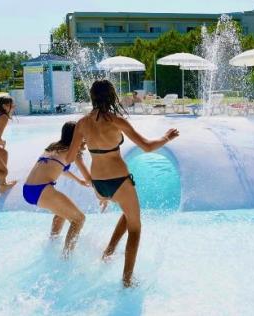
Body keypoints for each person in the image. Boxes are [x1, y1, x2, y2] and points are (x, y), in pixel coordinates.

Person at [66, 79, 179, 287]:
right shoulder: (117, 121)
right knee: (135, 228)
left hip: (99, 183)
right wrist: (166, 138)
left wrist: (89, 175)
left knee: (128, 215)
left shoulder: (82, 124)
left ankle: (108, 251)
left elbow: (71, 157)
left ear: (92, 97)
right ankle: (127, 280)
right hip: (119, 181)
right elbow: (146, 146)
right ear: (111, 97)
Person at [22, 121, 92, 257]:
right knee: (79, 219)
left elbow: (61, 168)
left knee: (62, 213)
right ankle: (66, 257)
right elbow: (89, 178)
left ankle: (52, 244)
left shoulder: (53, 147)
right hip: (41, 190)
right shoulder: (73, 152)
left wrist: (78, 181)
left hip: (28, 189)